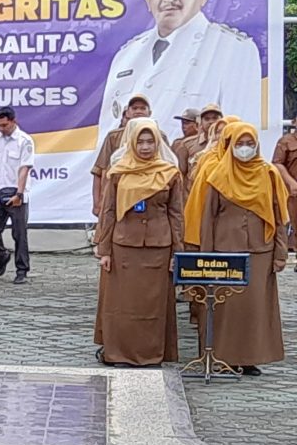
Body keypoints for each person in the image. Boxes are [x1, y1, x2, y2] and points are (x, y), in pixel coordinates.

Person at [96, 0, 263, 149]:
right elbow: (107, 140)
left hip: (195, 176)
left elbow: (242, 137)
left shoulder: (233, 50)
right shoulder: (126, 56)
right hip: (132, 177)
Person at [184, 119, 288, 374]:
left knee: (255, 308)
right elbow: (207, 219)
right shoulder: (218, 175)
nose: (244, 148)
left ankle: (250, 358)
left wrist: (280, 253)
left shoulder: (269, 174)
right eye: (239, 144)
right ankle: (223, 357)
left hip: (260, 251)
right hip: (224, 251)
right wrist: (205, 257)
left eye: (249, 144)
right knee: (224, 306)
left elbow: (279, 215)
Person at [94, 117, 185, 367]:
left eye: (150, 142)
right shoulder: (118, 172)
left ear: (158, 143)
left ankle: (152, 354)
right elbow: (108, 212)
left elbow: (177, 215)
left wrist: (178, 254)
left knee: (153, 304)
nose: (145, 147)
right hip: (124, 246)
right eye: (141, 142)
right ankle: (119, 353)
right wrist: (104, 250)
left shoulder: (170, 173)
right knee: (123, 304)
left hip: (159, 246)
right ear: (132, 143)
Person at [0, 106, 33, 284]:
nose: (1, 129)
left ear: (13, 121)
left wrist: (19, 194)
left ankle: (22, 270)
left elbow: (24, 168)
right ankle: (2, 256)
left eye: (4, 125)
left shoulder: (24, 140)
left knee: (19, 233)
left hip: (16, 192)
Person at [91, 94, 151, 219]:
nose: (138, 111)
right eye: (134, 108)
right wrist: (98, 203)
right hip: (116, 198)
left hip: (151, 199)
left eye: (142, 108)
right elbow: (99, 171)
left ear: (149, 112)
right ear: (127, 112)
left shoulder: (159, 137)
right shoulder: (113, 137)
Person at [272, 122, 297, 231]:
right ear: (294, 122)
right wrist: (291, 182)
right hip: (293, 193)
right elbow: (277, 163)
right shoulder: (286, 141)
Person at [171, 108, 204, 177]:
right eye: (182, 123)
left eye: (187, 123)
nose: (183, 126)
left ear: (197, 124)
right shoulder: (177, 143)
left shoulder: (205, 143)